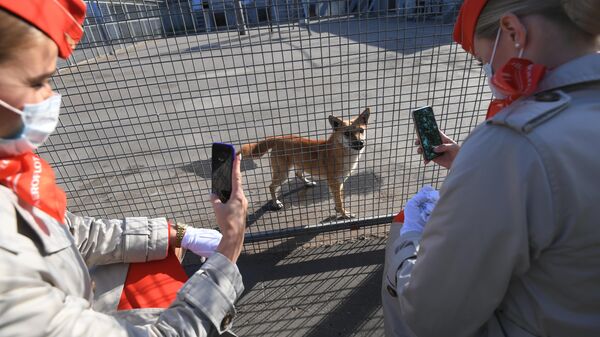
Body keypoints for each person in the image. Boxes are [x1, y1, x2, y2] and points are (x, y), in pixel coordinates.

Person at [0, 1, 248, 336]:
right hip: (87, 308)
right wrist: (229, 248)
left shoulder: (17, 178)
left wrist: (176, 233)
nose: (49, 96)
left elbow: (71, 234)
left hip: (78, 294)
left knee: (166, 257)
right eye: (36, 81)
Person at [383, 0, 600, 336]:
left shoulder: (511, 144)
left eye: (483, 60)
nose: (488, 73)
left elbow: (432, 315)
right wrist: (466, 161)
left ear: (514, 32)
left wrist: (410, 239)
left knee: (403, 230)